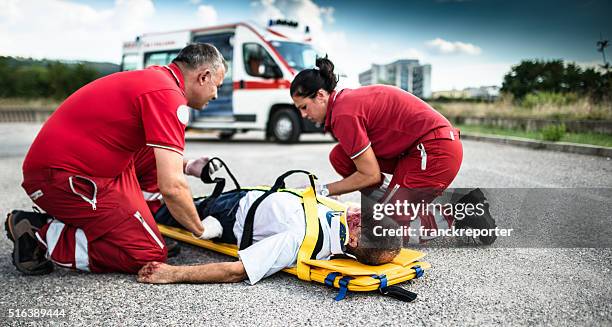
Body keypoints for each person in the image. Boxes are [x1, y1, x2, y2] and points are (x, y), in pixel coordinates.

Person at [5, 43, 227, 275]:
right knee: (147, 254)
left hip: (73, 167)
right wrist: (200, 230)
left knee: (153, 153)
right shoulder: (168, 96)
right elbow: (172, 187)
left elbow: (156, 156)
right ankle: (40, 233)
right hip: (59, 180)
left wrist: (188, 165)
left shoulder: (157, 80)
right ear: (204, 76)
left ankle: (138, 224)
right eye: (217, 86)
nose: (216, 94)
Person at [289, 57, 496, 245]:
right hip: (417, 151)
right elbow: (369, 171)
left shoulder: (344, 113)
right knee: (340, 157)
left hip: (435, 152)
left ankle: (463, 211)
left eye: (304, 107)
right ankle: (393, 206)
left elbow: (369, 175)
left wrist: (323, 190)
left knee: (383, 233)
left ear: (321, 95)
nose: (303, 115)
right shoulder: (343, 104)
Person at [137, 189, 402, 284]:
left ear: (353, 241)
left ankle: (137, 201)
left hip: (227, 215)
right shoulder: (340, 219)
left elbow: (237, 271)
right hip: (245, 196)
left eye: (361, 220)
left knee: (161, 210)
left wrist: (172, 274)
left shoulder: (298, 239)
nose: (358, 211)